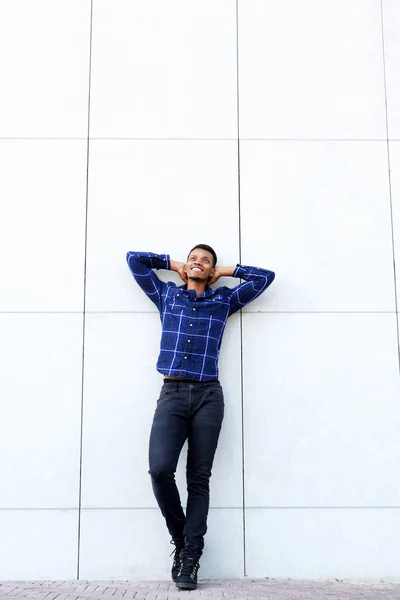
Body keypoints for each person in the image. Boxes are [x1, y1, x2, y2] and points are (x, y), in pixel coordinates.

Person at [126, 245, 275, 589]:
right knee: (160, 469)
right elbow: (134, 260)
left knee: (198, 479)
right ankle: (184, 541)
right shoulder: (166, 295)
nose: (199, 263)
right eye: (194, 258)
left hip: (209, 395)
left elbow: (265, 278)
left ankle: (189, 558)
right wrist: (174, 264)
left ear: (211, 271)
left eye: (205, 261)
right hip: (173, 394)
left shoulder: (222, 301)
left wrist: (224, 271)